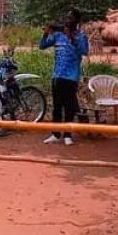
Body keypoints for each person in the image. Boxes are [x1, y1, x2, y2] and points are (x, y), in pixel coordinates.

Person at [39, 16, 89, 146]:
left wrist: (72, 38)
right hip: (57, 76)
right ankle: (55, 134)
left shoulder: (81, 37)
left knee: (69, 107)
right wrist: (46, 33)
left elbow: (84, 51)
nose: (65, 30)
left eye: (68, 28)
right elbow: (42, 46)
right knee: (57, 107)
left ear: (73, 28)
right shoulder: (57, 36)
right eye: (64, 28)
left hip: (71, 77)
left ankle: (68, 135)